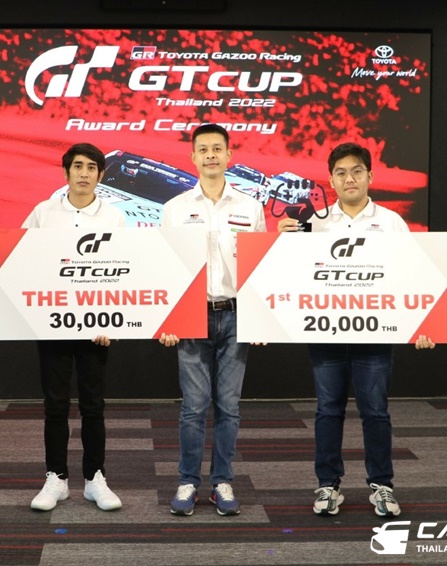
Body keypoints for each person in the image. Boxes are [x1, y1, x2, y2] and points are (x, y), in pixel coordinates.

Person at [277, 142, 435, 518]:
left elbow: (414, 275)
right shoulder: (313, 223)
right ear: (331, 180)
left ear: (370, 176)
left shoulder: (392, 223)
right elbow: (288, 272)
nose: (349, 178)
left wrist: (425, 323)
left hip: (375, 336)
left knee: (376, 412)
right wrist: (280, 239)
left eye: (357, 171)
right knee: (327, 411)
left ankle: (382, 485)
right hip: (325, 334)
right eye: (341, 173)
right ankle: (328, 485)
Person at [159, 124, 266, 516]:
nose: (210, 155)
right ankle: (188, 481)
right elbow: (165, 266)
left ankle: (222, 481)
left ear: (229, 155)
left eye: (217, 149)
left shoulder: (250, 207)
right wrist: (167, 319)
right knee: (193, 406)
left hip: (236, 315)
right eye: (202, 149)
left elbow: (259, 267)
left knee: (229, 406)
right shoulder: (175, 208)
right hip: (192, 315)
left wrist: (262, 319)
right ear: (192, 157)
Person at [22, 143, 123, 512]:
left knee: (93, 405)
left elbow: (125, 271)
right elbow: (18, 256)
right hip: (52, 322)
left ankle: (95, 479)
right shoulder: (43, 212)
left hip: (97, 326)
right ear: (66, 172)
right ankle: (57, 478)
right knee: (55, 405)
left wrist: (112, 319)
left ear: (101, 175)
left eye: (91, 167)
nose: (84, 173)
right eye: (77, 166)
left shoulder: (114, 217)